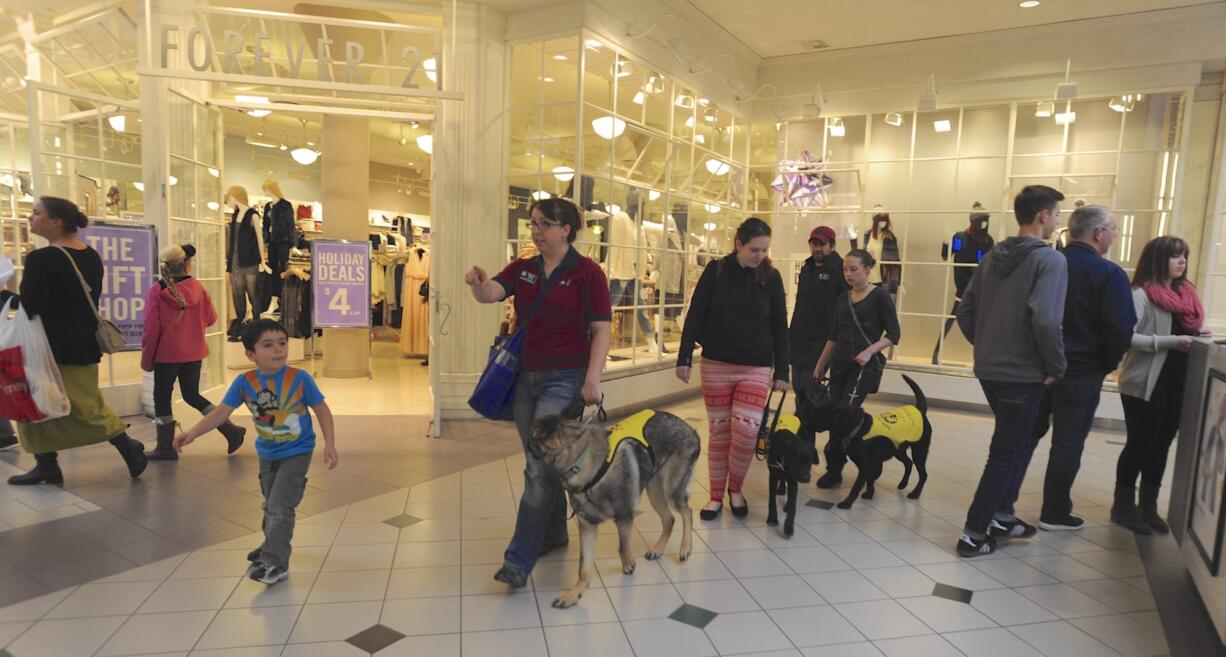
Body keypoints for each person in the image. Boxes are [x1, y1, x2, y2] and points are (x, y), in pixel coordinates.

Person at [465, 197, 611, 588]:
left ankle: (519, 558)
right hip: (524, 378)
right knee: (542, 461)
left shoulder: (587, 273)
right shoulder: (525, 268)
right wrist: (479, 285)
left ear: (566, 229)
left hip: (565, 378)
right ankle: (554, 534)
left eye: (544, 224)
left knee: (537, 466)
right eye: (533, 223)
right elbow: (492, 293)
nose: (536, 230)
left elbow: (601, 330)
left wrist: (592, 378)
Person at [174, 319, 338, 585]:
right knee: (270, 503)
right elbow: (220, 414)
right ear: (251, 354)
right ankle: (270, 545)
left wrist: (329, 444)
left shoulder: (299, 378)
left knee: (279, 506)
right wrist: (191, 434)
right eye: (268, 345)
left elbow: (322, 410)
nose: (278, 350)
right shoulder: (244, 382)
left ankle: (277, 562)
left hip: (298, 451)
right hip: (267, 453)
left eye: (282, 343)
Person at [955, 185, 1067, 557]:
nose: (1056, 222)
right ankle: (973, 533)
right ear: (1042, 217)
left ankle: (1001, 516)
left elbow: (964, 312)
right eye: (1055, 215)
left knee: (1016, 441)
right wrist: (1056, 365)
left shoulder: (991, 258)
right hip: (1023, 373)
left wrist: (988, 346)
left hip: (990, 369)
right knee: (1006, 450)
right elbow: (1048, 321)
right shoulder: (1049, 261)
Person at [5, 197, 148, 486]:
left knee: (36, 403)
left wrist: (6, 293)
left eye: (36, 213)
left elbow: (32, 305)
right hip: (83, 343)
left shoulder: (41, 258)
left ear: (55, 222)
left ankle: (120, 446)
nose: (31, 218)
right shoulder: (90, 255)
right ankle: (53, 463)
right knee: (86, 404)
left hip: (47, 348)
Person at [677, 217, 790, 520]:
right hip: (716, 363)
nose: (759, 256)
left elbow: (780, 326)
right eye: (754, 249)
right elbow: (696, 314)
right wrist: (684, 356)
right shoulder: (716, 271)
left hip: (756, 365)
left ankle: (735, 488)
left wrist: (783, 372)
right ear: (739, 243)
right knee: (720, 433)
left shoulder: (772, 277)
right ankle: (716, 496)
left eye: (764, 250)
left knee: (747, 432)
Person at [1030, 205, 1135, 530]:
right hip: (1081, 372)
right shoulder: (1109, 274)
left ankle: (1001, 507)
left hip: (1038, 368)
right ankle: (1054, 512)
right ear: (1099, 233)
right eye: (1114, 229)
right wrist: (1104, 364)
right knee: (1068, 441)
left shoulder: (1046, 264)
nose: (1115, 236)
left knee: (1023, 437)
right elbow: (1121, 328)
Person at [1114, 236, 1207, 534]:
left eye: (1184, 256)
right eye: (1175, 256)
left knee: (1162, 444)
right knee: (1141, 444)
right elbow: (1126, 337)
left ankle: (1148, 506)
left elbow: (1186, 330)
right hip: (1145, 382)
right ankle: (1123, 507)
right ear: (1157, 259)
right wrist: (1172, 341)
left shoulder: (1186, 295)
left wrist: (1199, 336)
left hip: (1178, 383)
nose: (1182, 262)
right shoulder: (1141, 293)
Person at [142, 244, 246, 460]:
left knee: (162, 397)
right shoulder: (197, 287)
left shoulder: (157, 291)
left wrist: (147, 358)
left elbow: (151, 329)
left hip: (167, 355)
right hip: (194, 352)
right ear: (187, 265)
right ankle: (229, 429)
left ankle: (165, 447)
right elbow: (211, 319)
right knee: (191, 394)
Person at [812, 249, 901, 488]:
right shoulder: (842, 298)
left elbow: (894, 334)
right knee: (834, 417)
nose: (848, 274)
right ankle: (835, 469)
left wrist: (870, 350)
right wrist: (821, 364)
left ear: (867, 269)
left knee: (846, 415)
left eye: (854, 269)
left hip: (863, 367)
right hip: (839, 366)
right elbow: (833, 335)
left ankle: (855, 463)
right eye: (845, 269)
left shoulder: (880, 297)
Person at [790, 226, 849, 453]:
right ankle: (804, 446)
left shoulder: (840, 270)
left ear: (832, 246)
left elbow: (844, 310)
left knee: (810, 396)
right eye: (814, 244)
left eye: (822, 244)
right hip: (799, 340)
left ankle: (807, 448)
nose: (817, 248)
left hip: (822, 344)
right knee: (799, 393)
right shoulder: (807, 268)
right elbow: (800, 306)